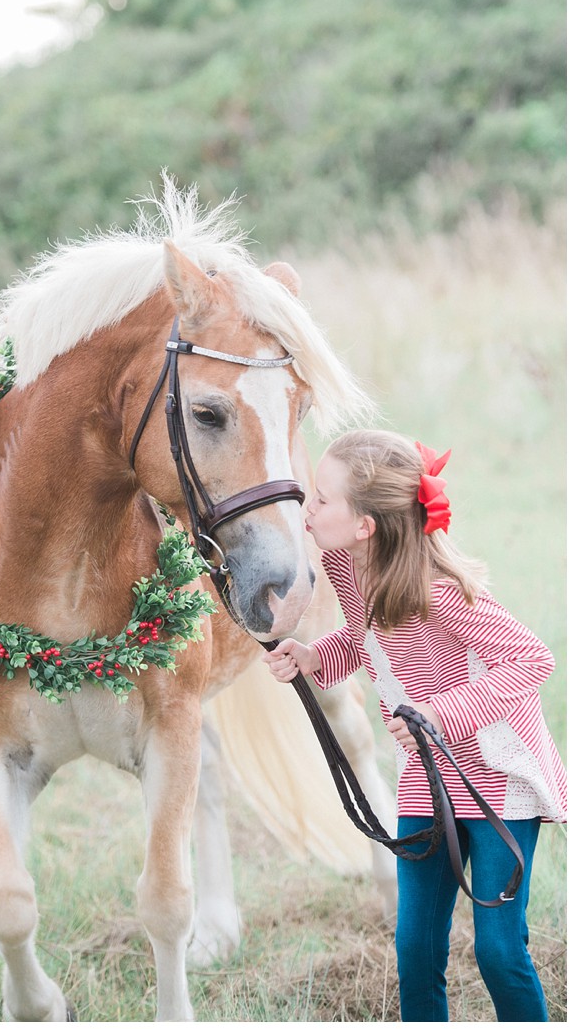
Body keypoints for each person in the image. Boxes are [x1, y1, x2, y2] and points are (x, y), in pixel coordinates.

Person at [264, 429, 566, 1022]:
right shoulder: (346, 568)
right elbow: (361, 641)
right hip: (426, 782)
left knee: (499, 950)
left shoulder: (440, 593)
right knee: (415, 948)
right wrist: (313, 656)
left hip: (495, 780)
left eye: (323, 499)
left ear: (365, 526)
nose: (309, 508)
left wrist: (439, 714)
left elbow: (533, 659)